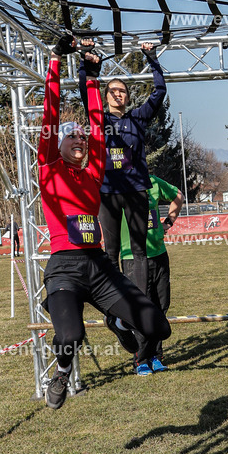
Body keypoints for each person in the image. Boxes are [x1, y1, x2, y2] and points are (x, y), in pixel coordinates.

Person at [39, 34, 171, 410]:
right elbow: (50, 113)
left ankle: (118, 321)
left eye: (82, 137)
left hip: (99, 268)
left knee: (158, 326)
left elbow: (97, 125)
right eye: (71, 137)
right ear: (57, 144)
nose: (79, 139)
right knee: (70, 336)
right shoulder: (48, 168)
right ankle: (61, 374)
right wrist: (55, 60)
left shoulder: (94, 172)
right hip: (65, 268)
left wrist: (93, 77)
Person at [79, 39, 167, 295]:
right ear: (105, 96)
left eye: (122, 91)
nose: (118, 94)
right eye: (113, 90)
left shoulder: (138, 118)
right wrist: (86, 61)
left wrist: (152, 59)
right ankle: (115, 302)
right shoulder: (98, 118)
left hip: (136, 191)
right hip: (107, 193)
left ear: (128, 97)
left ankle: (140, 302)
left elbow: (159, 91)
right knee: (111, 251)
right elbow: (85, 92)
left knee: (139, 250)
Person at [120, 174, 184, 374]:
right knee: (141, 308)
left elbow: (178, 195)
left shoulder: (153, 181)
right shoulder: (116, 184)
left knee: (160, 306)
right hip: (132, 257)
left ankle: (156, 356)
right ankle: (141, 359)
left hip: (159, 255)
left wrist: (168, 222)